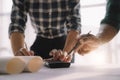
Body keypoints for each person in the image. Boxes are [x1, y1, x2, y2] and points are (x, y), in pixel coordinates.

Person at [9, 0, 81, 62]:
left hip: (66, 44)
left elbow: (74, 26)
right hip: (39, 45)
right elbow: (17, 25)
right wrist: (19, 53)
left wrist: (65, 54)